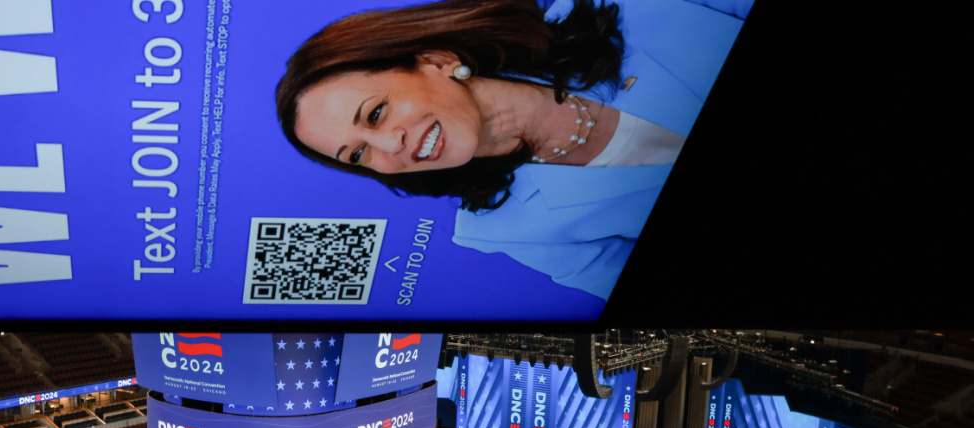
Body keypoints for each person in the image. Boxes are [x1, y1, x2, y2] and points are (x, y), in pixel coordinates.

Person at [276, 0, 749, 302]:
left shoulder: (617, 7)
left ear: (437, 61)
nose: (389, 146)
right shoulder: (501, 231)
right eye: (358, 155)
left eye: (376, 114)